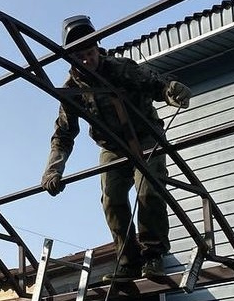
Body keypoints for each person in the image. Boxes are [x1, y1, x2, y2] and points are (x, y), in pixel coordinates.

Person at [41, 15, 192, 279]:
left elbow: (157, 86)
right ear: (71, 59)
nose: (87, 60)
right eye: (80, 57)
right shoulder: (71, 91)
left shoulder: (122, 69)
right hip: (112, 147)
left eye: (90, 53)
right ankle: (128, 261)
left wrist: (173, 92)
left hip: (146, 137)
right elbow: (64, 134)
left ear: (97, 48)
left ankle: (153, 255)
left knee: (148, 190)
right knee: (112, 200)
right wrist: (53, 170)